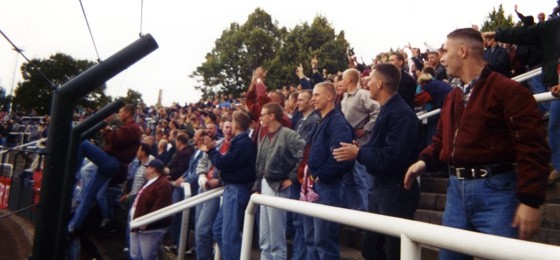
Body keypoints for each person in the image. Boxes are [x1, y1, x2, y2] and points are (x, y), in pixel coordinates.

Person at [404, 28, 550, 260]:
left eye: (446, 50)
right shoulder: (453, 96)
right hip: (456, 193)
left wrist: (530, 200)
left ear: (462, 51)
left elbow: (532, 147)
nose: (442, 58)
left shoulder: (508, 90)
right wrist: (423, 161)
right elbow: (441, 140)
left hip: (497, 191)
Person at [333, 63, 420, 260]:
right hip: (381, 189)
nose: (366, 82)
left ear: (379, 84)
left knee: (394, 251)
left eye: (370, 79)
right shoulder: (387, 110)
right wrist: (361, 149)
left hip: (396, 192)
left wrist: (358, 154)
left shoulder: (401, 115)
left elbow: (391, 158)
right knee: (370, 249)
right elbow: (380, 149)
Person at [485, 17, 560, 184]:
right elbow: (525, 33)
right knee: (555, 126)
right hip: (557, 89)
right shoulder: (553, 26)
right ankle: (558, 167)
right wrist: (498, 33)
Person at [69, 104, 142, 234]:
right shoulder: (129, 128)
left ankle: (72, 175)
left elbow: (116, 141)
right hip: (112, 163)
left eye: (121, 111)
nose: (119, 114)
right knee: (88, 195)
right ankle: (73, 226)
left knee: (83, 143)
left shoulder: (132, 128)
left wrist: (107, 129)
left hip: (113, 162)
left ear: (128, 113)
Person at [304, 82, 354, 259]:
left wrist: (319, 176)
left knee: (324, 242)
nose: (313, 99)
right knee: (313, 240)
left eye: (317, 95)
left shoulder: (338, 123)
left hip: (328, 188)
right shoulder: (323, 121)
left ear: (330, 96)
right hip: (316, 187)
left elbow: (342, 159)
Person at [199, 111, 256, 260]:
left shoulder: (243, 143)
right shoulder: (240, 142)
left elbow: (224, 164)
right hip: (231, 189)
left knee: (229, 235)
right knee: (218, 230)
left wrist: (211, 149)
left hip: (237, 190)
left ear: (236, 124)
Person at [254, 102, 305, 260]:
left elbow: (303, 154)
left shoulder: (288, 134)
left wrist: (292, 178)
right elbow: (260, 164)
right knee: (264, 236)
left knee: (276, 236)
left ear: (272, 116)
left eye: (263, 114)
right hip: (265, 184)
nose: (260, 118)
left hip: (278, 186)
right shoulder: (265, 135)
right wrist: (257, 186)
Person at [340, 68, 380, 211]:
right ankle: (356, 213)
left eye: (343, 78)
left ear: (350, 79)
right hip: (349, 144)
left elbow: (378, 110)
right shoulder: (344, 97)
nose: (341, 82)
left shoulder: (363, 95)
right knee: (350, 181)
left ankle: (366, 215)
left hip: (362, 145)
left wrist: (366, 128)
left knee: (363, 180)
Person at [129, 159, 173, 260]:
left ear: (153, 169)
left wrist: (147, 222)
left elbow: (160, 205)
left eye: (147, 167)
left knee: (148, 257)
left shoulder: (163, 184)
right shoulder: (150, 181)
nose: (145, 170)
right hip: (138, 224)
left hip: (150, 228)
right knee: (136, 255)